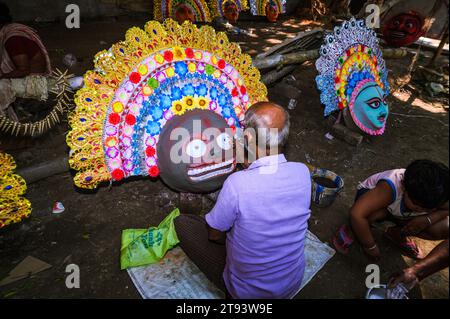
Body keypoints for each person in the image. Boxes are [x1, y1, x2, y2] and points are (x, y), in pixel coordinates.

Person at [175, 101, 312, 298]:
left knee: (183, 224)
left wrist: (232, 237)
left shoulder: (237, 184)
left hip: (248, 294)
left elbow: (214, 235)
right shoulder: (302, 172)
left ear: (247, 136)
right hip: (290, 283)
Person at [333, 159, 449, 261]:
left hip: (400, 212)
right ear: (404, 186)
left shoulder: (441, 193)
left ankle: (397, 233)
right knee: (365, 216)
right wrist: (369, 246)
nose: (420, 210)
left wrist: (427, 219)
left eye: (428, 208)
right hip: (378, 204)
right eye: (416, 204)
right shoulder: (389, 187)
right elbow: (356, 213)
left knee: (444, 228)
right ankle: (351, 230)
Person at [0, 2, 51, 120]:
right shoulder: (10, 31)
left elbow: (24, 69)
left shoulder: (13, 39)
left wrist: (3, 76)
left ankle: (8, 121)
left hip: (34, 83)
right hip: (29, 78)